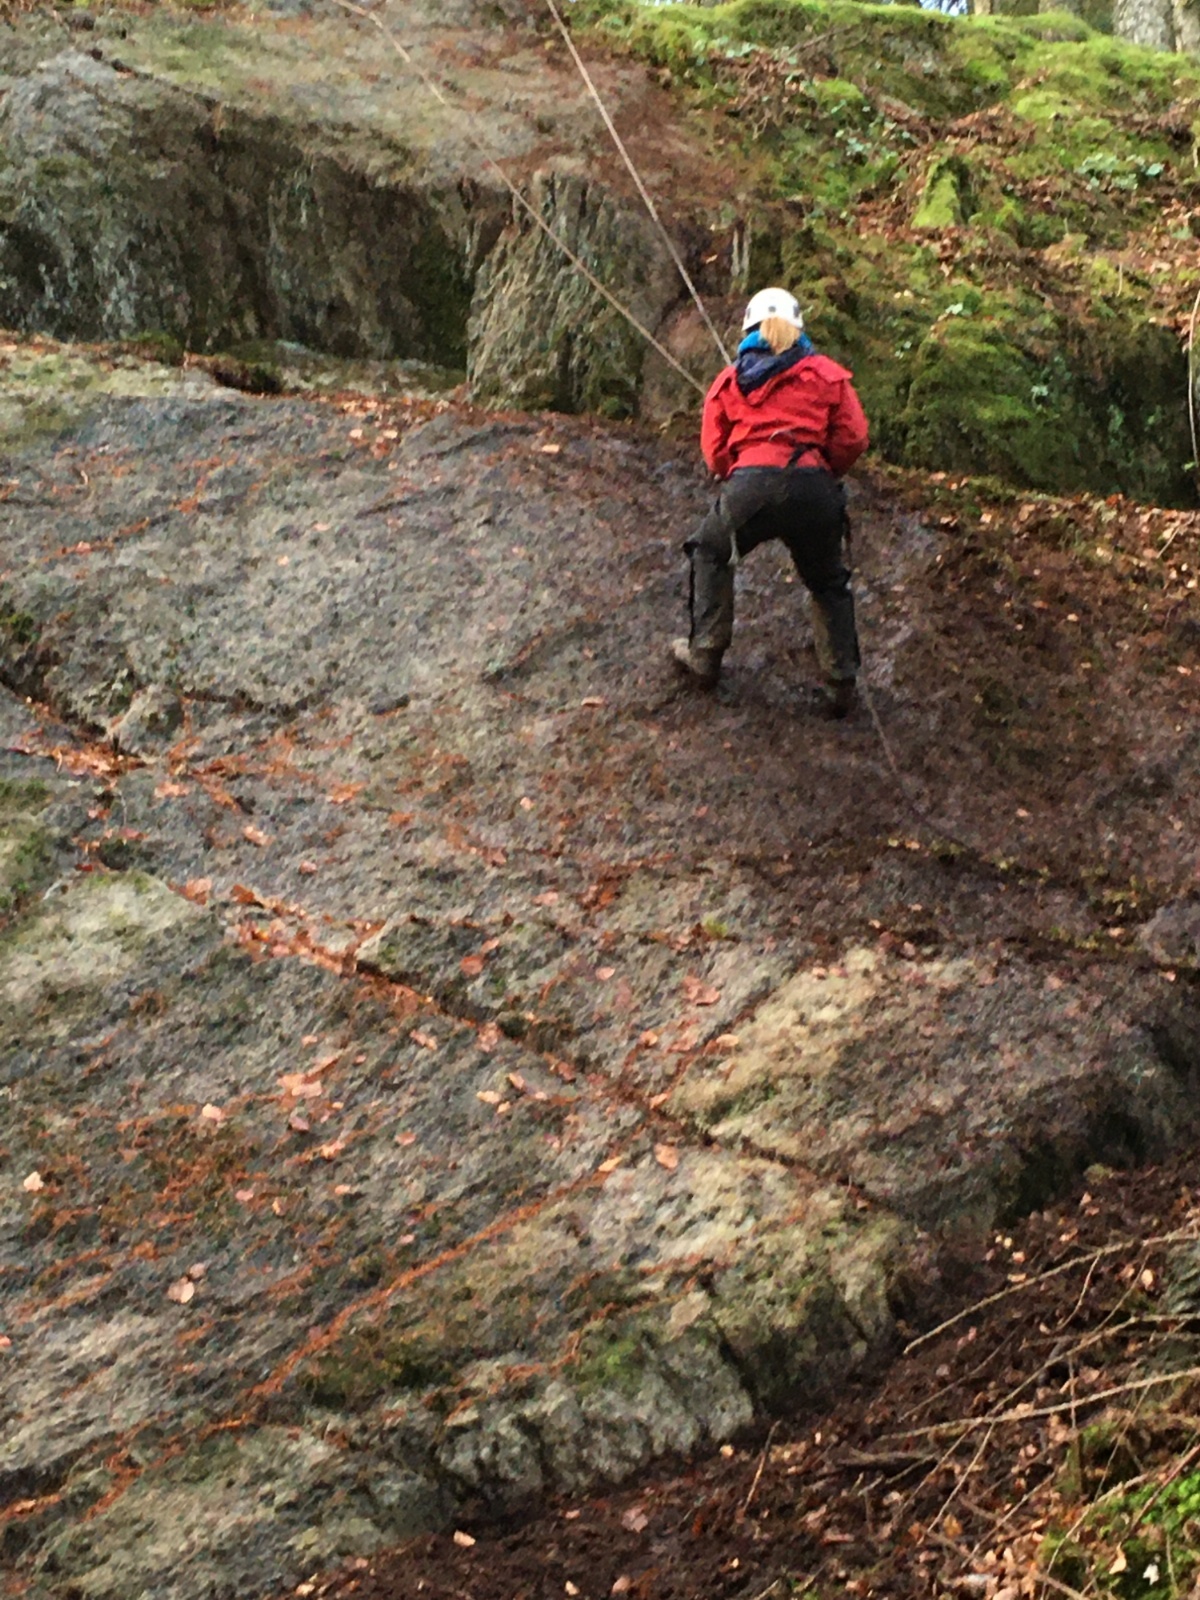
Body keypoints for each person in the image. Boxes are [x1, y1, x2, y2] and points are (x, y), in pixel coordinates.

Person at [671, 287, 870, 715]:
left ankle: (705, 654)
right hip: (814, 485)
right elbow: (854, 437)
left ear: (749, 329)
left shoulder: (729, 381)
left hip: (752, 486)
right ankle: (840, 681)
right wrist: (824, 469)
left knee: (710, 549)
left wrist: (740, 470)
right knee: (827, 581)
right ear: (798, 329)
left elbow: (714, 451)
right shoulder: (827, 374)